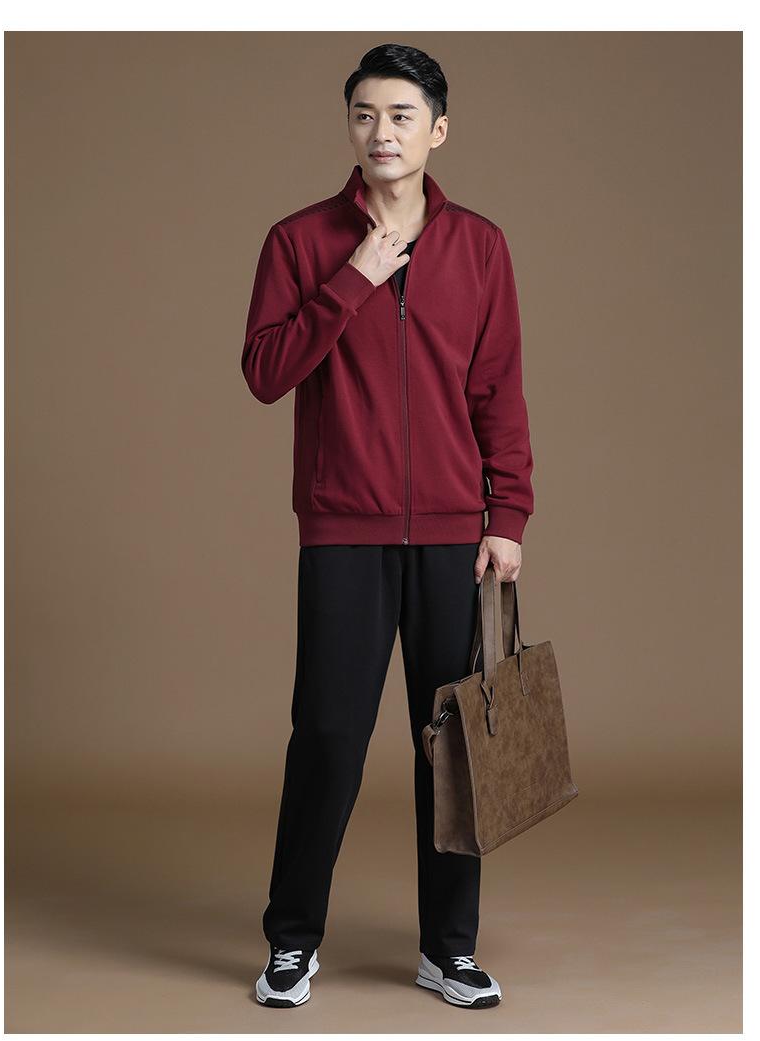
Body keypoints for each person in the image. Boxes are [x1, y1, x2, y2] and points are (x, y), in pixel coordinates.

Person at [242, 42, 534, 1010]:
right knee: (327, 736)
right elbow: (265, 372)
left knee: (452, 747)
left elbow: (498, 393)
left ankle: (449, 949)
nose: (382, 132)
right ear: (350, 127)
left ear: (437, 129)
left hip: (455, 534)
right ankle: (291, 941)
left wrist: (507, 513)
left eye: (402, 115)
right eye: (365, 114)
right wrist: (355, 277)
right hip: (342, 528)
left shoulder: (480, 246)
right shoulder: (299, 241)